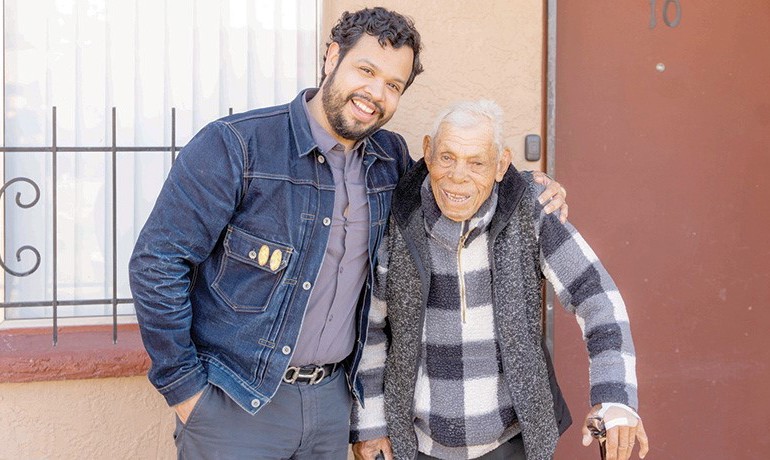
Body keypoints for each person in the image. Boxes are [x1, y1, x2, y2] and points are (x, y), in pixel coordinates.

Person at [129, 8, 568, 459]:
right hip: (236, 403)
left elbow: (459, 183)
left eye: (393, 85)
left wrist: (529, 190)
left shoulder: (391, 160)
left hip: (332, 406)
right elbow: (157, 264)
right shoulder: (238, 146)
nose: (375, 93)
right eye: (366, 70)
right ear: (332, 57)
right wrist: (185, 390)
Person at [350, 100, 649, 460]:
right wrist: (370, 424)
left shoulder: (530, 210)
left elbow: (596, 295)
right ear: (427, 152)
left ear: (501, 164)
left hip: (511, 443)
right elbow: (371, 327)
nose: (458, 176)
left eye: (477, 163)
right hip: (418, 445)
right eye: (447, 157)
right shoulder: (398, 217)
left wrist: (614, 396)